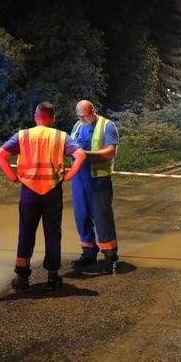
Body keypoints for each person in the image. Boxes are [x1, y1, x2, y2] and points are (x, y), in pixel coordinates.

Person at [0, 102, 86, 291]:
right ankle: (52, 278)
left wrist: (13, 177)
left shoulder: (23, 135)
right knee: (53, 233)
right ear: (53, 118)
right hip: (53, 190)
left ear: (35, 116)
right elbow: (81, 155)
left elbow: (0, 155)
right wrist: (69, 175)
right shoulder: (61, 136)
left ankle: (22, 279)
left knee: (26, 232)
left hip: (29, 190)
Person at [69, 100, 120, 274]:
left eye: (86, 115)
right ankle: (88, 252)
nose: (83, 118)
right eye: (80, 116)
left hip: (98, 179)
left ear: (93, 110)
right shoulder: (76, 126)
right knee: (81, 216)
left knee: (102, 218)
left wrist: (86, 155)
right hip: (78, 179)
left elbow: (110, 152)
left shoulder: (108, 125)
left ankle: (110, 255)